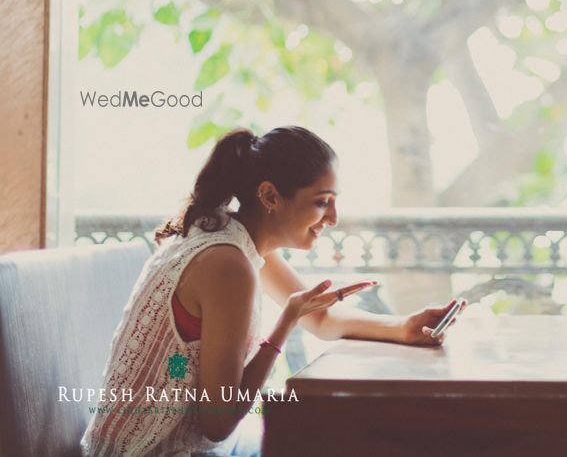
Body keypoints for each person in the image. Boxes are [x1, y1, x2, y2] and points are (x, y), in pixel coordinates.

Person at [82, 126, 461, 457]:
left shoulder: (233, 239)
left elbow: (322, 317)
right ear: (270, 196)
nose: (333, 218)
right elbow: (218, 420)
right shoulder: (228, 265)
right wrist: (285, 324)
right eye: (322, 201)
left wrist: (402, 327)